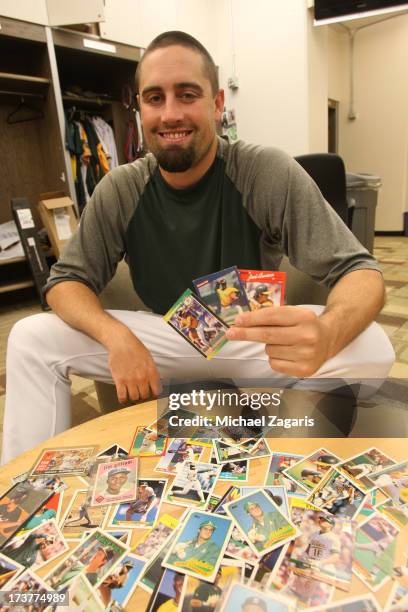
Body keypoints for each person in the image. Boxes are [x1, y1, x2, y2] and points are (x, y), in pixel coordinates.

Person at [2, 30, 394, 463]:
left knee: (374, 346)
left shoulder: (264, 171)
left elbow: (361, 271)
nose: (170, 114)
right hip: (165, 337)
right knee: (29, 337)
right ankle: (26, 494)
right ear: (139, 109)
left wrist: (328, 331)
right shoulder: (120, 187)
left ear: (217, 104)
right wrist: (116, 336)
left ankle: (272, 448)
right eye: (155, 98)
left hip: (247, 337)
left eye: (187, 95)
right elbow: (65, 282)